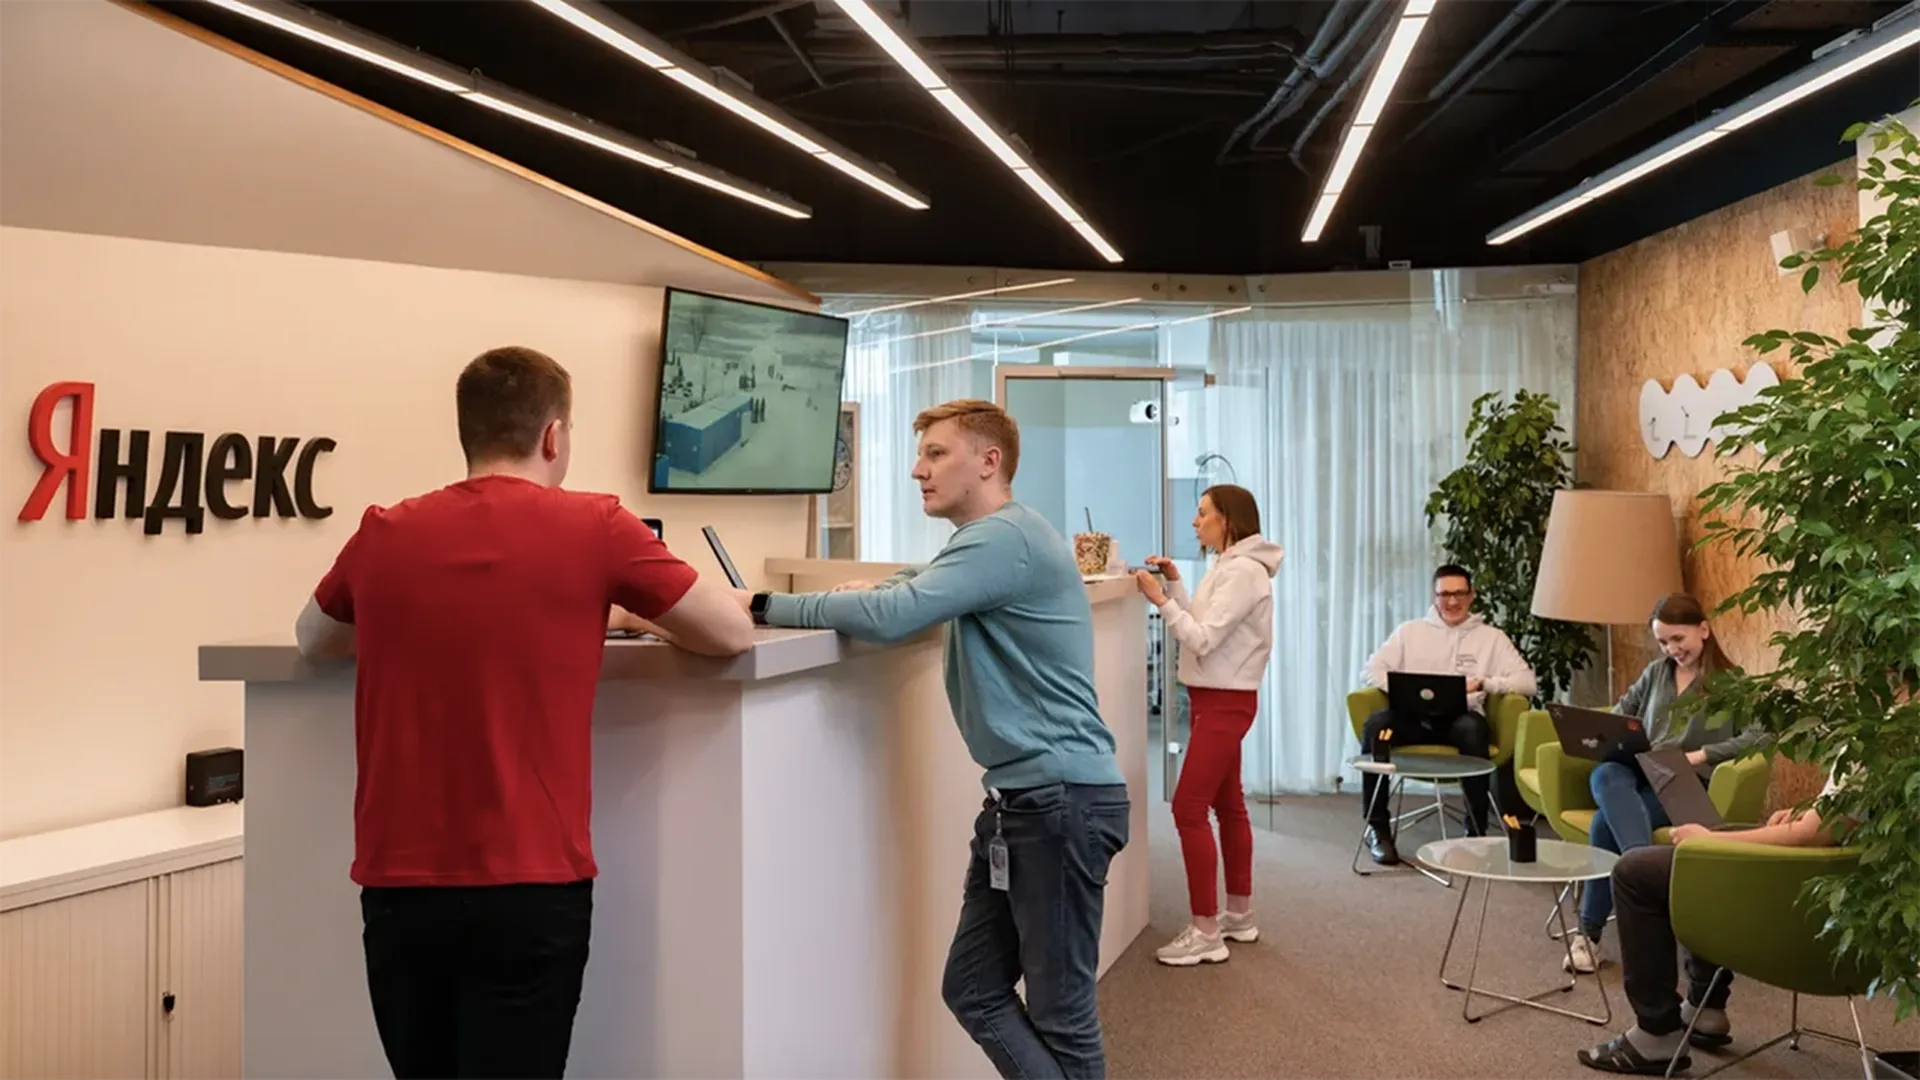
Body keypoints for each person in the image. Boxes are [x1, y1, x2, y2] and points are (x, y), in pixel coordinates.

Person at [292, 346, 756, 1080]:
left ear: (467, 432)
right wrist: (630, 618)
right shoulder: (597, 524)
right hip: (533, 884)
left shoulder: (384, 530)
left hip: (399, 886)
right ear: (553, 435)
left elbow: (313, 639)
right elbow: (729, 632)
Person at [740, 398, 1130, 1080]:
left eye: (936, 454)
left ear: (989, 461)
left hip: (1058, 803)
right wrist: (884, 585)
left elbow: (896, 613)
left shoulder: (1004, 537)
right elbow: (920, 582)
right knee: (973, 986)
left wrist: (761, 605)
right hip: (1023, 804)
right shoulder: (993, 540)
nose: (918, 471)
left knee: (1062, 1019)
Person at [1576, 770, 1856, 1075]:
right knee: (1614, 802)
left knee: (1635, 873)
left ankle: (1656, 1033)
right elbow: (1843, 817)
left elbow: (1817, 833)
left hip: (1812, 902)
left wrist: (1709, 841)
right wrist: (1809, 811)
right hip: (1829, 875)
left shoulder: (1869, 746)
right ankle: (1705, 1005)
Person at [1562, 593, 1764, 974]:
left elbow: (1761, 735)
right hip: (1640, 768)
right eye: (1663, 641)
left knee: (1604, 823)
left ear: (1703, 630)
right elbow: (1621, 712)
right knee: (1605, 773)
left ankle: (1589, 934)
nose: (1672, 649)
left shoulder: (1732, 682)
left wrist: (1700, 755)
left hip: (1682, 781)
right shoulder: (1656, 673)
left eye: (1678, 639)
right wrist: (1611, 734)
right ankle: (1642, 873)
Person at [1133, 485, 1282, 967]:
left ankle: (1205, 932)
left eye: (1202, 514)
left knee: (1187, 808)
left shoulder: (1242, 572)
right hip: (1216, 699)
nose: (1195, 522)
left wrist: (1160, 600)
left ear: (1227, 520)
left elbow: (1199, 639)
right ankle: (1238, 915)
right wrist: (1176, 586)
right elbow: (1205, 622)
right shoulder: (1230, 566)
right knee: (1228, 804)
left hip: (1223, 703)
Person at [1358, 564, 1537, 864]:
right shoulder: (1410, 632)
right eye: (1444, 594)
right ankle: (1377, 829)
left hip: (1460, 720)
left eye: (1459, 594)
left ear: (1471, 596)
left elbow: (1527, 682)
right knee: (1376, 726)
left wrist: (1485, 682)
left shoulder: (1491, 638)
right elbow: (1370, 670)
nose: (1452, 602)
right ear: (1435, 596)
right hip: (1411, 718)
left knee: (1473, 730)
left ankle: (1475, 831)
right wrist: (1402, 688)